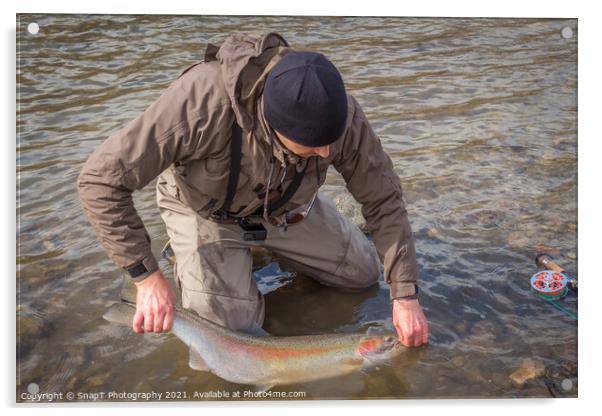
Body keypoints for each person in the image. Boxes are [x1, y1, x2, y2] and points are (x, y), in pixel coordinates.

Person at [77, 32, 428, 347]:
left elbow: (384, 199)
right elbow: (100, 181)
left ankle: (253, 257)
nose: (325, 153)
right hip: (203, 209)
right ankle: (189, 259)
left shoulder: (340, 114)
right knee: (233, 335)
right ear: (274, 125)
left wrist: (406, 295)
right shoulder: (200, 103)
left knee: (364, 275)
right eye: (313, 145)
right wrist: (146, 277)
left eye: (329, 143)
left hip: (284, 208)